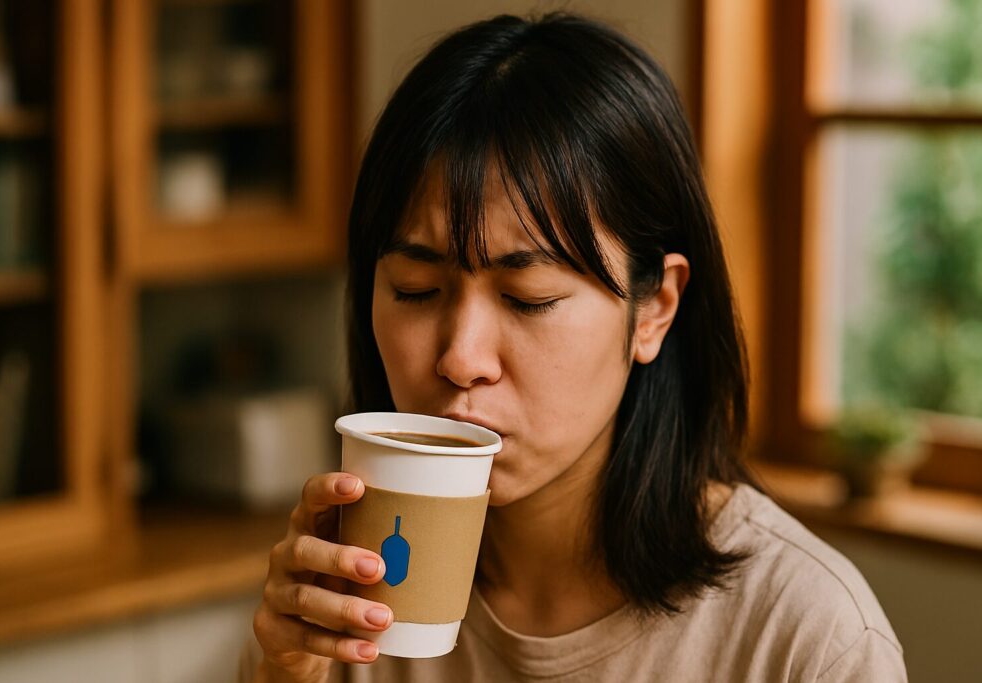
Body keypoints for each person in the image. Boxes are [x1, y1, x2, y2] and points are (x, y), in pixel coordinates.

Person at [241, 12, 907, 683]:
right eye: (416, 289)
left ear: (654, 310)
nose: (460, 357)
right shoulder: (351, 603)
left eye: (528, 297)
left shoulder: (809, 639)